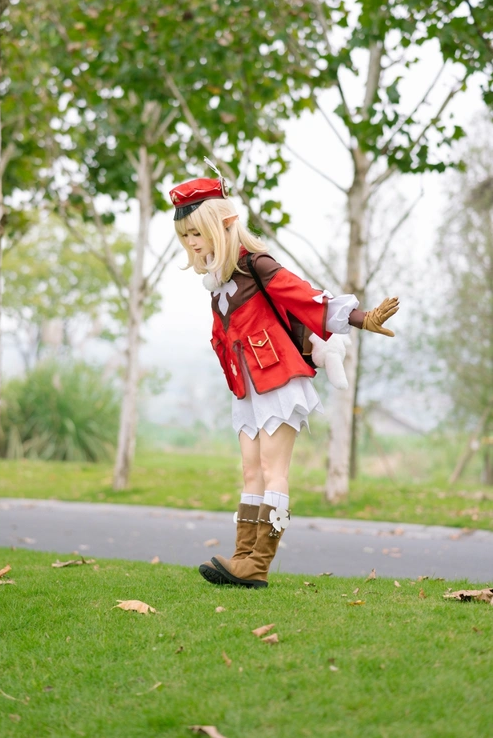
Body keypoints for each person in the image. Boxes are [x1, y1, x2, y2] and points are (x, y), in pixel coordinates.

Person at [171, 170, 399, 589]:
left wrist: (361, 318)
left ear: (222, 225)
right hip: (247, 386)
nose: (192, 244)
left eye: (196, 233)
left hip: (278, 379)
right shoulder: (217, 281)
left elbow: (303, 296)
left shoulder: (256, 264)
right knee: (250, 470)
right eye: (185, 236)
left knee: (274, 470)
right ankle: (241, 558)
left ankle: (258, 563)